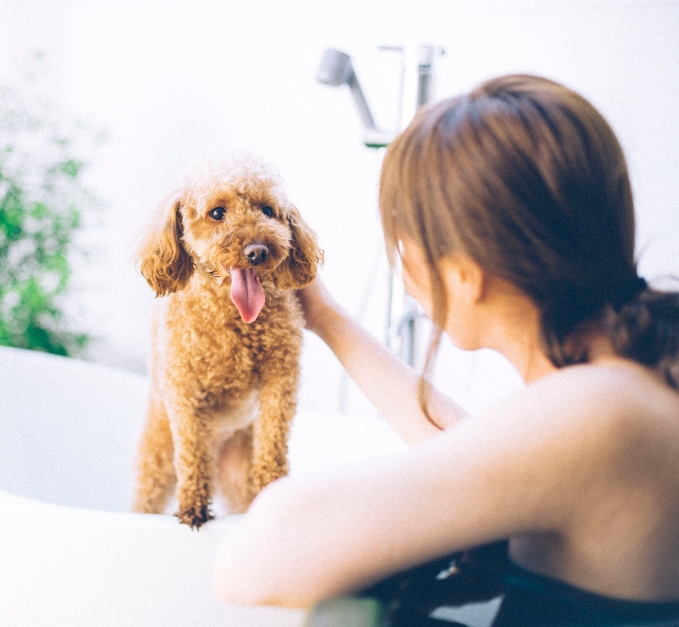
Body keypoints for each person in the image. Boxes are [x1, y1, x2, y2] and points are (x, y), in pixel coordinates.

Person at [212, 74, 679, 625]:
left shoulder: (603, 412)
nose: (404, 265)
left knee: (344, 616)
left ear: (464, 274)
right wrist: (326, 318)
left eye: (406, 244)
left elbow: (256, 560)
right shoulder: (634, 372)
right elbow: (483, 453)